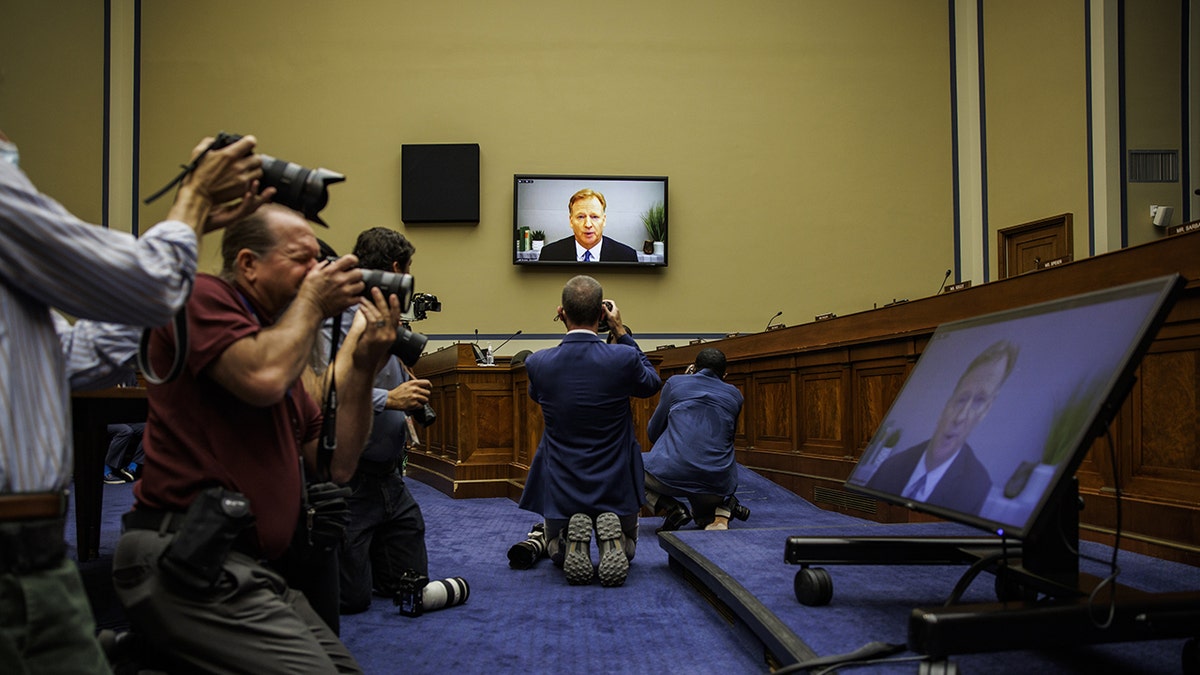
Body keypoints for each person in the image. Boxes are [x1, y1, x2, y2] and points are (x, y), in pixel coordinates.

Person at [0, 128, 265, 674]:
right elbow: (146, 285)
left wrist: (182, 248)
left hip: (32, 547)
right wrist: (191, 200)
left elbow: (72, 355)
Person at [112, 203, 400, 674]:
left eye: (318, 262)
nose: (317, 272)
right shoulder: (200, 294)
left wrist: (366, 366)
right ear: (247, 263)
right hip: (186, 558)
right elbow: (261, 377)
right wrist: (313, 303)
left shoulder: (280, 356)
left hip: (250, 567)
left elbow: (337, 464)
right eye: (301, 259)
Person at [317, 228, 439, 616]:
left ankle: (368, 554)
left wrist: (408, 391)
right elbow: (322, 391)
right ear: (396, 268)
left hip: (389, 480)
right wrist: (390, 399)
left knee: (411, 581)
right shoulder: (337, 319)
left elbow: (384, 380)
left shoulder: (387, 322)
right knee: (351, 600)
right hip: (349, 482)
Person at [515, 275, 661, 586]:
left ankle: (567, 542)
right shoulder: (622, 357)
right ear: (603, 316)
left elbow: (536, 394)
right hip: (615, 481)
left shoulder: (539, 363)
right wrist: (621, 331)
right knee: (630, 552)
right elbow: (651, 383)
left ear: (561, 313)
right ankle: (617, 541)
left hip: (563, 483)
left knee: (553, 550)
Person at [864, 340, 1019, 516]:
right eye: (962, 398)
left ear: (985, 412)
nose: (960, 417)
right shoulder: (894, 465)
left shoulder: (976, 485)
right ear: (948, 400)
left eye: (978, 401)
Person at [643, 348, 746, 532]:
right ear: (725, 375)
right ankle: (722, 507)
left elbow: (652, 433)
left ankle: (671, 508)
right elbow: (729, 439)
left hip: (670, 474)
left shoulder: (675, 383)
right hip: (716, 484)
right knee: (703, 520)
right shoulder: (735, 395)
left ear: (693, 367)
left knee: (623, 465)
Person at [536, 188, 639, 262]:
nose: (588, 224)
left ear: (604, 220)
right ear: (571, 221)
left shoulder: (627, 256)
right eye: (581, 217)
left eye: (594, 217)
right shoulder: (550, 254)